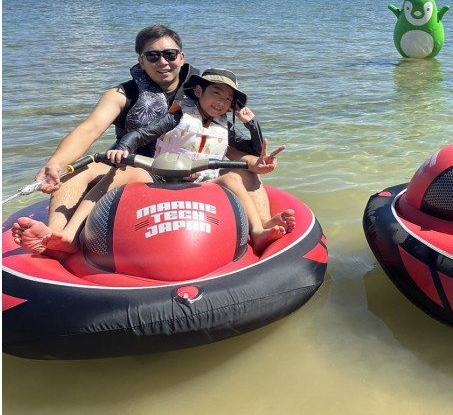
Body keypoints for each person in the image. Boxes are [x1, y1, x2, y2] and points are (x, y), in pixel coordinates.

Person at [12, 26, 280, 253]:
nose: (162, 62)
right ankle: (57, 238)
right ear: (141, 61)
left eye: (169, 54)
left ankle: (265, 229)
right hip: (137, 167)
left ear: (181, 57)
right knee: (75, 171)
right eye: (152, 56)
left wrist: (255, 160)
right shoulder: (122, 94)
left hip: (192, 170)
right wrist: (56, 163)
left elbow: (223, 144)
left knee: (249, 169)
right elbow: (90, 130)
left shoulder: (205, 96)